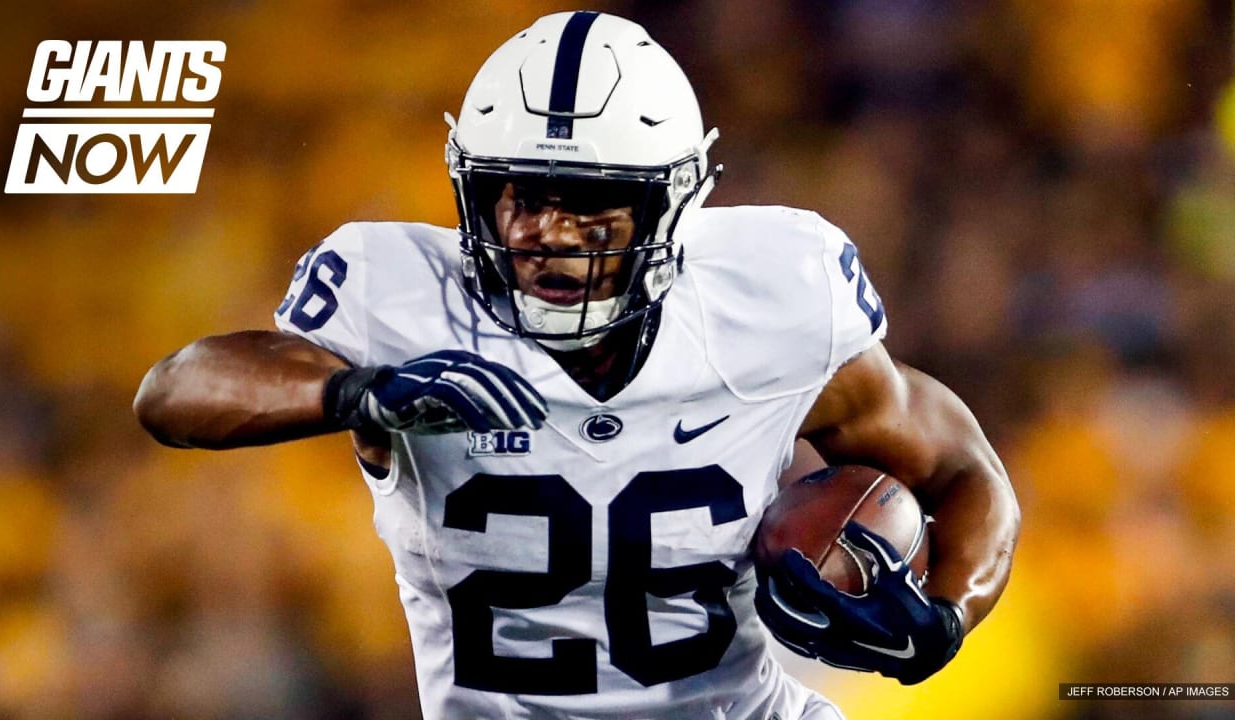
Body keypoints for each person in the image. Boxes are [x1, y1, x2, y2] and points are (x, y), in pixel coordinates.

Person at [134, 11, 1020, 720]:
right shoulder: (402, 302)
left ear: (672, 208)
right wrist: (353, 391)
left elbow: (958, 466)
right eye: (520, 195)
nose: (547, 234)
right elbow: (175, 392)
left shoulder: (771, 292)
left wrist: (945, 618)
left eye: (593, 204)